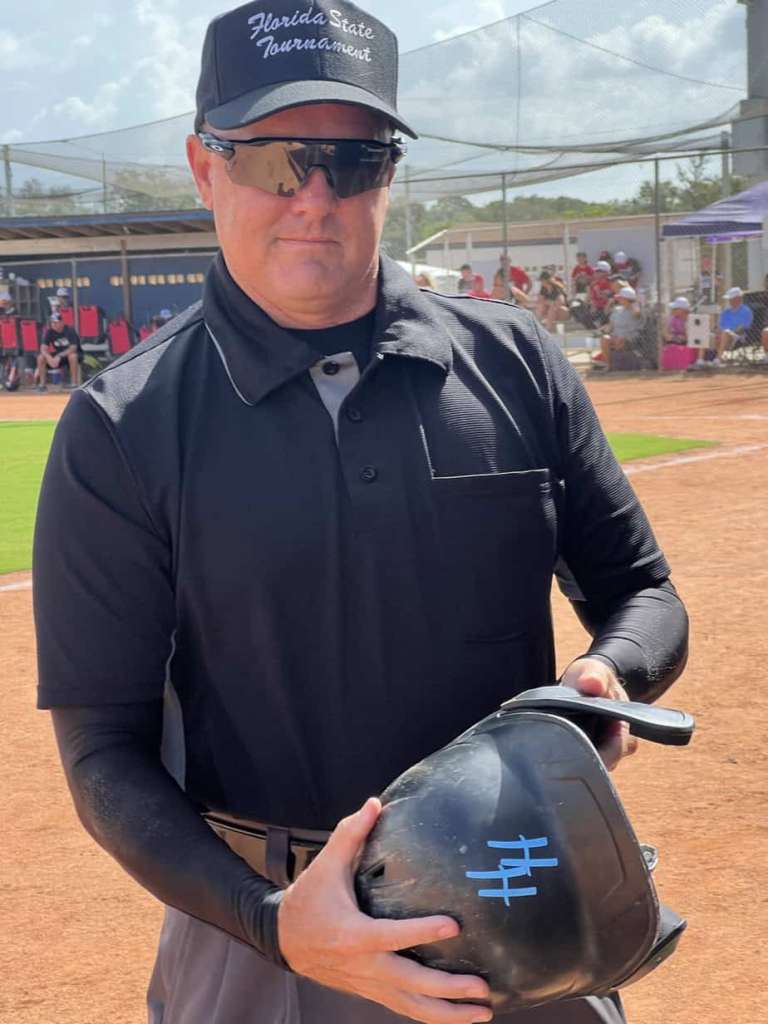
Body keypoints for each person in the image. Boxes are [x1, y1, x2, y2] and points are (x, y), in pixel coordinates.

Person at [34, 4, 689, 1024]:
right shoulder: (122, 425)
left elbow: (642, 592)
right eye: (271, 159)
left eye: (354, 159)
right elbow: (101, 754)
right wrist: (272, 919)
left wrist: (608, 675)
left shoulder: (515, 364)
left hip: (523, 899)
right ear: (205, 170)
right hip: (266, 941)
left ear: (389, 175)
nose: (315, 195)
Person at [594, 286, 643, 369]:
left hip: (630, 337)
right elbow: (611, 325)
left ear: (627, 299)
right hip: (616, 336)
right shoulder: (617, 309)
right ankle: (608, 365)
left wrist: (631, 303)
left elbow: (637, 314)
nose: (619, 300)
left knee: (620, 340)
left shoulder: (635, 308)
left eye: (621, 298)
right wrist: (603, 330)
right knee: (605, 338)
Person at [705, 286, 753, 367]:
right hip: (722, 335)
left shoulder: (746, 311)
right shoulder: (726, 312)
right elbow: (719, 326)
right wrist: (717, 331)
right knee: (709, 335)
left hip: (737, 337)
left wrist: (730, 332)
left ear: (738, 299)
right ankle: (706, 359)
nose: (729, 301)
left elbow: (743, 327)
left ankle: (718, 359)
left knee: (726, 332)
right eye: (729, 299)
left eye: (731, 299)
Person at [36, 313, 81, 390]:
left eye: (56, 322)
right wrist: (49, 357)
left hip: (72, 354)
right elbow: (43, 348)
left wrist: (59, 356)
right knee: (41, 357)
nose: (54, 324)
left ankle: (74, 384)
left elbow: (73, 348)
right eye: (52, 322)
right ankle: (42, 385)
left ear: (62, 322)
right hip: (58, 356)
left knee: (73, 356)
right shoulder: (49, 332)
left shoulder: (70, 330)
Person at [588, 260, 615, 326]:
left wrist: (598, 291)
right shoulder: (594, 283)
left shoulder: (611, 282)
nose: (595, 273)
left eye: (598, 271)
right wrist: (592, 303)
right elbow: (591, 298)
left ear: (606, 272)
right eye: (596, 271)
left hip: (608, 309)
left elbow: (608, 297)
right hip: (597, 309)